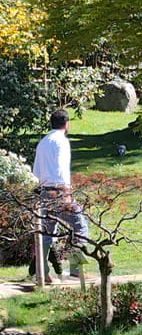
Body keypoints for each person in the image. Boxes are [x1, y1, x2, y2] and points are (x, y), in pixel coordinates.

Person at [32, 110, 89, 281]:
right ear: (67, 123)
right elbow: (61, 168)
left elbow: (36, 170)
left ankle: (42, 272)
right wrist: (66, 194)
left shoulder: (42, 142)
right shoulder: (61, 142)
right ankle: (76, 269)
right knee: (79, 227)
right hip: (59, 191)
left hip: (44, 191)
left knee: (47, 232)